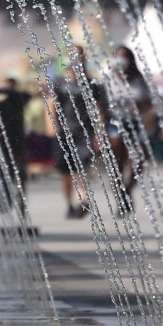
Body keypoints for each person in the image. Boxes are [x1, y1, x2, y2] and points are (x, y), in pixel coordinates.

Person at [46, 45, 106, 219]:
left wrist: (99, 131)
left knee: (83, 167)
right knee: (65, 171)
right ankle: (69, 204)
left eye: (79, 56)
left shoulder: (92, 84)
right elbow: (51, 104)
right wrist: (51, 125)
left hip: (84, 131)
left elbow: (98, 109)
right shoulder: (59, 81)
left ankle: (84, 199)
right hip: (64, 131)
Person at [104, 46, 153, 214]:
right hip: (114, 121)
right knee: (117, 158)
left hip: (135, 122)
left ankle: (127, 189)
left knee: (139, 159)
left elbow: (149, 102)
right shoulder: (108, 80)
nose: (120, 60)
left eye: (123, 56)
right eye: (117, 56)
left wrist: (140, 106)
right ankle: (120, 196)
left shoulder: (139, 80)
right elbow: (100, 105)